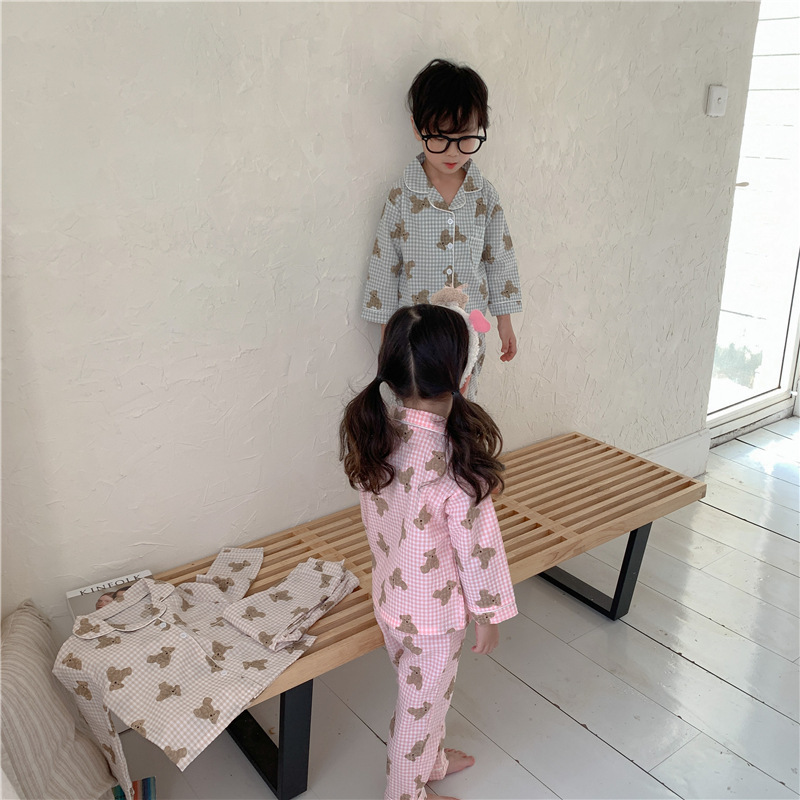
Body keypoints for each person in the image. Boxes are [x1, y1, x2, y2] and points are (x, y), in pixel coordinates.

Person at [340, 303, 517, 800]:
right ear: (460, 374)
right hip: (433, 620)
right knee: (419, 709)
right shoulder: (455, 469)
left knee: (426, 698)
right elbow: (481, 551)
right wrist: (488, 616)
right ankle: (406, 794)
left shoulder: (379, 438)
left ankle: (431, 761)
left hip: (392, 601)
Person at [361, 58, 523, 400]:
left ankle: (458, 437)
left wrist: (505, 320)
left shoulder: (484, 196)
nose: (452, 151)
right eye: (439, 138)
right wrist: (387, 336)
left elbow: (499, 258)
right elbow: (384, 265)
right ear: (417, 127)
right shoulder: (402, 196)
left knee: (463, 401)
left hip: (468, 331)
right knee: (414, 404)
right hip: (415, 333)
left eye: (464, 138)